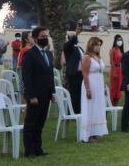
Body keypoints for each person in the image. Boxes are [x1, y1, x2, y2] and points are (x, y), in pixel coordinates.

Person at [21, 27, 55, 158]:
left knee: (40, 123)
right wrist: (31, 96)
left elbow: (50, 75)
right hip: (35, 94)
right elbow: (26, 77)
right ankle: (29, 151)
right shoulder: (29, 54)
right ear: (35, 39)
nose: (45, 38)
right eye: (42, 36)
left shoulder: (47, 54)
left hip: (46, 94)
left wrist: (52, 92)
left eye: (46, 35)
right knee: (31, 123)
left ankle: (38, 148)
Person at [80, 37, 108, 143]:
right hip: (90, 84)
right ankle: (89, 134)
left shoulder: (98, 57)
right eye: (96, 44)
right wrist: (88, 89)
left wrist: (104, 86)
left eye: (100, 44)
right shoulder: (87, 57)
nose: (98, 46)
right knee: (90, 107)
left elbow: (101, 73)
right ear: (91, 45)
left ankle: (95, 132)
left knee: (97, 108)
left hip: (99, 84)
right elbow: (85, 74)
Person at [63, 29, 84, 113]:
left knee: (80, 94)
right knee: (74, 94)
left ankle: (79, 111)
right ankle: (72, 112)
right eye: (73, 38)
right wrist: (75, 34)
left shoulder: (79, 48)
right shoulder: (67, 47)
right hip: (73, 74)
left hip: (81, 74)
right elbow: (70, 43)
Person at [109, 35, 125, 106]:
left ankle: (116, 105)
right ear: (115, 40)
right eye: (118, 39)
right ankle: (111, 105)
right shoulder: (112, 50)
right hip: (114, 70)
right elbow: (111, 61)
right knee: (114, 88)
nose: (120, 41)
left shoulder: (120, 50)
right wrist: (114, 72)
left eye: (121, 40)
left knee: (119, 88)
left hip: (120, 70)